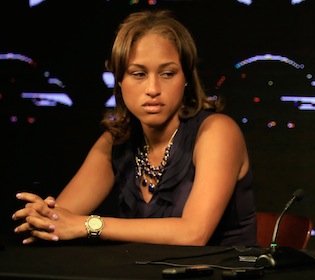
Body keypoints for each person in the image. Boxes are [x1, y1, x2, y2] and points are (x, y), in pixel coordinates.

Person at [11, 10, 257, 247]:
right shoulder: (116, 140)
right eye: (138, 74)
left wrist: (89, 225)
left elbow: (194, 234)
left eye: (168, 73)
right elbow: (62, 219)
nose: (152, 88)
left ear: (186, 79)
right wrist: (42, 217)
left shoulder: (217, 132)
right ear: (119, 80)